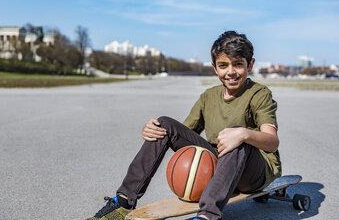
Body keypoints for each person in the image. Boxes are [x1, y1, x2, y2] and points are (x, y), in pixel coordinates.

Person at [86, 31, 281, 220]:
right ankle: (123, 201)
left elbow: (272, 142)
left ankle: (208, 215)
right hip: (221, 164)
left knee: (237, 136)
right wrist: (154, 130)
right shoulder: (208, 96)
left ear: (250, 64)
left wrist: (244, 134)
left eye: (238, 64)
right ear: (214, 67)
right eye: (223, 65)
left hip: (254, 172)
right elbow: (182, 134)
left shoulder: (259, 93)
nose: (230, 71)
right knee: (164, 124)